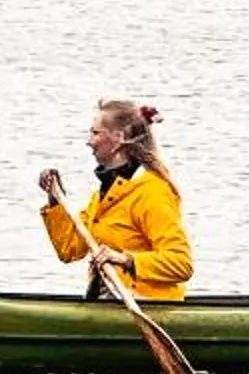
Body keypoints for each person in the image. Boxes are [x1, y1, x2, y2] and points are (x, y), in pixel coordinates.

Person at [36, 99, 194, 301]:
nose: (89, 141)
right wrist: (55, 199)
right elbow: (70, 249)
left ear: (119, 138)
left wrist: (125, 260)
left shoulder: (152, 192)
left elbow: (181, 263)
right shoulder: (105, 195)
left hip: (147, 302)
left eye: (95, 133)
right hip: (109, 299)